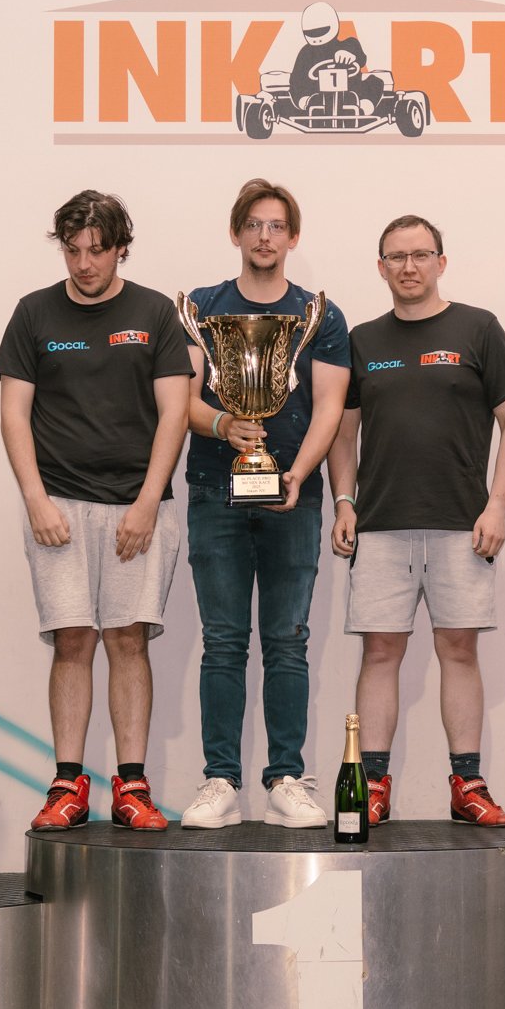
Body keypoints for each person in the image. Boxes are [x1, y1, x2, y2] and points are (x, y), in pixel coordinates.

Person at [0, 190, 193, 831]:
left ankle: (132, 785)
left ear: (120, 249)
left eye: (97, 251)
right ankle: (67, 785)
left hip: (139, 508)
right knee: (72, 639)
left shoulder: (154, 311)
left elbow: (175, 413)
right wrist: (36, 501)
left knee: (128, 640)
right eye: (73, 250)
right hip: (58, 506)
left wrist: (147, 502)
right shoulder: (33, 312)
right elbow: (14, 414)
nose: (84, 264)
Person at [328, 215, 505, 827]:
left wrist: (497, 506)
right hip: (380, 524)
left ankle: (467, 785)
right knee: (379, 653)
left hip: (461, 525)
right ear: (381, 267)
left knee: (459, 650)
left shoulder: (478, 328)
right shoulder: (362, 339)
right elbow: (343, 432)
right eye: (397, 257)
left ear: (442, 262)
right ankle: (372, 785)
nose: (409, 266)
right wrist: (344, 501)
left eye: (420, 255)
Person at [179, 179, 351, 829]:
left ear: (293, 237)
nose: (264, 236)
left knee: (287, 642)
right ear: (236, 233)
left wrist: (297, 475)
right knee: (223, 641)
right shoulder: (201, 307)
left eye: (277, 225)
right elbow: (182, 400)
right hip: (213, 489)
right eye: (253, 224)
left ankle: (285, 779)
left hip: (293, 498)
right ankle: (220, 780)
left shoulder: (319, 315)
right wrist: (224, 424)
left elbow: (330, 405)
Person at [290, 1, 386, 117]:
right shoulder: (306, 52)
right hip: (317, 94)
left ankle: (364, 108)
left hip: (351, 92)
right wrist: (303, 99)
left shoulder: (349, 44)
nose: (317, 36)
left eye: (321, 31)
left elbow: (362, 60)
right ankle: (308, 104)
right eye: (312, 33)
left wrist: (349, 54)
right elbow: (297, 78)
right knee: (297, 86)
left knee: (375, 81)